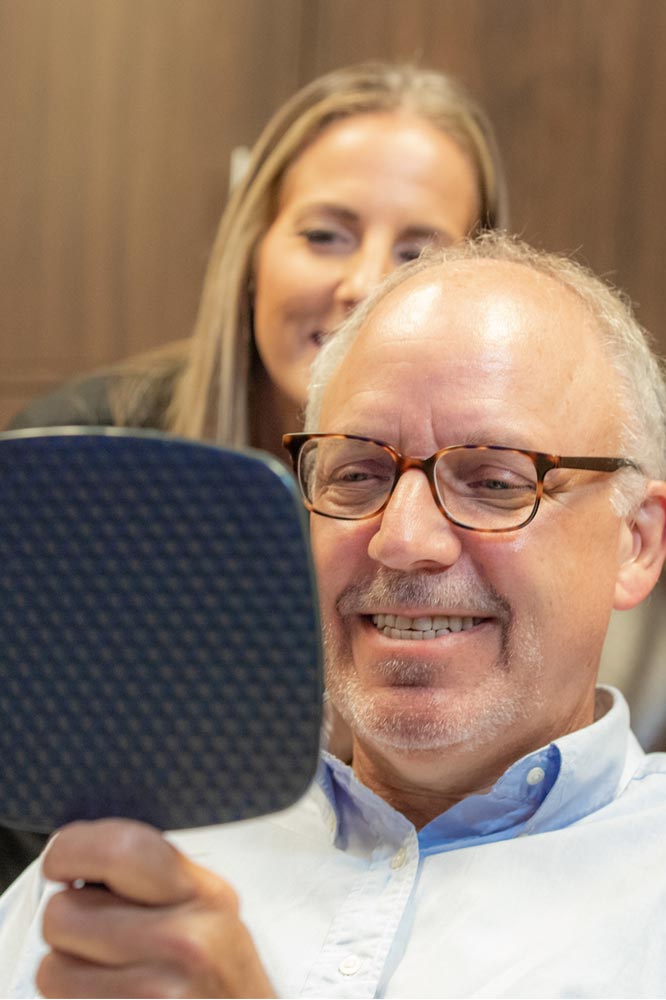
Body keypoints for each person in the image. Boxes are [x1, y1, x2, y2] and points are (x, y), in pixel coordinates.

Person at [0, 234, 666, 997]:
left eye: (493, 482)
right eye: (356, 473)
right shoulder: (129, 861)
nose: (403, 540)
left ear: (636, 540)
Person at [0, 60, 507, 895]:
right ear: (252, 252)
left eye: (417, 251)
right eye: (325, 235)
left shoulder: (503, 509)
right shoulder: (90, 465)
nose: (365, 285)